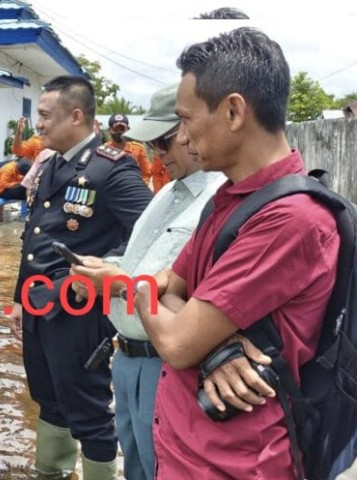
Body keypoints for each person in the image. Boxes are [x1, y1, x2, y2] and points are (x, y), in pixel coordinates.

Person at [132, 27, 339, 478]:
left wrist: (150, 294)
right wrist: (213, 341)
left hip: (235, 463)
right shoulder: (230, 199)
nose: (182, 138)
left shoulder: (290, 221)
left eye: (187, 120)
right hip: (189, 447)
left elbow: (175, 340)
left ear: (232, 111)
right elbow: (171, 283)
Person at [68, 83, 226, 480]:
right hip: (128, 357)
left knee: (167, 467)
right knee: (137, 465)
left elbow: (200, 288)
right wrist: (102, 267)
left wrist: (119, 282)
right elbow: (141, 258)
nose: (158, 154)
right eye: (153, 144)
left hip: (169, 363)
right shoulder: (166, 192)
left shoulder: (221, 199)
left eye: (165, 142)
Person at [8, 75, 152, 479]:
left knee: (87, 409)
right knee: (48, 399)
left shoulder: (111, 170)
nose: (38, 125)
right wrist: (21, 297)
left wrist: (105, 269)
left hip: (80, 311)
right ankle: (51, 471)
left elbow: (152, 233)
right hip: (40, 307)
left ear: (75, 116)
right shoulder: (51, 163)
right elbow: (35, 237)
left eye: (45, 116)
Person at [105, 113, 154, 190]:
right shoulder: (103, 150)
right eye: (116, 129)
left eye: (122, 129)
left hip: (134, 191)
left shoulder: (138, 149)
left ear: (128, 129)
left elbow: (146, 174)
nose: (119, 132)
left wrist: (139, 188)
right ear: (109, 130)